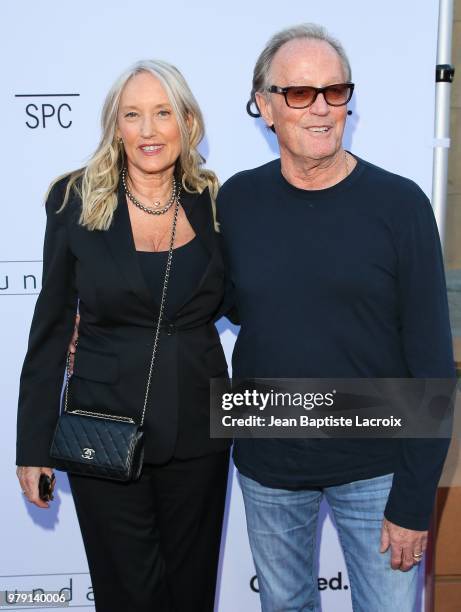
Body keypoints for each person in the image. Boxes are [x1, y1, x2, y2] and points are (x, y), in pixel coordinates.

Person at [217, 23, 455, 612]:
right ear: (266, 108)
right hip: (266, 455)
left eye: (336, 91)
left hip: (378, 466)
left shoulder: (401, 205)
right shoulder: (236, 201)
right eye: (300, 93)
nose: (322, 109)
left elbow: (432, 359)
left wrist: (413, 498)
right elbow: (210, 304)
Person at [16, 59, 231, 612]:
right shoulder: (73, 201)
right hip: (104, 429)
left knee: (190, 592)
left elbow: (241, 298)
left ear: (187, 122)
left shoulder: (215, 204)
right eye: (132, 115)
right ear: (116, 126)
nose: (148, 130)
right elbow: (51, 325)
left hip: (198, 433)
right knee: (127, 595)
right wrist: (33, 444)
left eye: (162, 114)